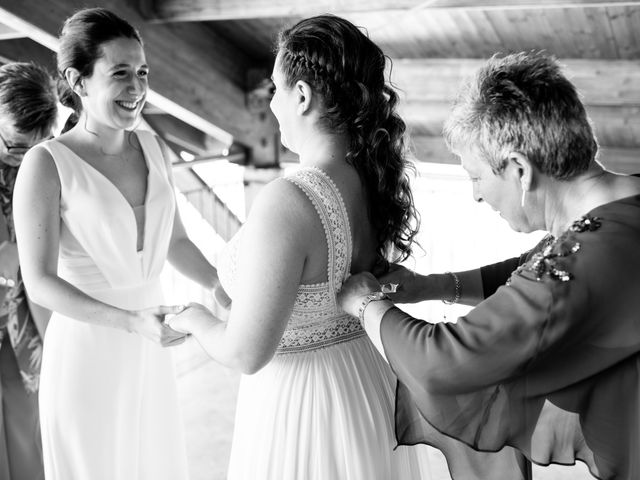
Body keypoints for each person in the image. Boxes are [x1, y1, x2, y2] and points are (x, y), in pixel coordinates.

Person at [338, 51, 640, 480]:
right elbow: (537, 267)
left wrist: (364, 303)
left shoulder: (581, 264)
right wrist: (430, 286)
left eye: (476, 177)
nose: (476, 196)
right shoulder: (620, 211)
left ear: (519, 168)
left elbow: (440, 362)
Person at [168, 14, 433, 480]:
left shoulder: (290, 199)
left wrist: (194, 318)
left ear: (303, 95)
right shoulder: (370, 179)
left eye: (275, 89)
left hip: (304, 405)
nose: (272, 105)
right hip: (363, 380)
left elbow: (247, 352)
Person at [13, 8, 221, 480]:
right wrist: (131, 322)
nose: (137, 89)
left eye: (143, 72)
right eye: (120, 73)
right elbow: (40, 282)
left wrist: (218, 283)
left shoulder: (153, 148)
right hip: (88, 352)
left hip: (150, 351)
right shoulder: (46, 164)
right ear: (78, 80)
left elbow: (175, 240)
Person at [0, 61, 58, 480]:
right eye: (12, 144)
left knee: (29, 425)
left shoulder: (49, 160)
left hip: (29, 315)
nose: (21, 157)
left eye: (32, 147)